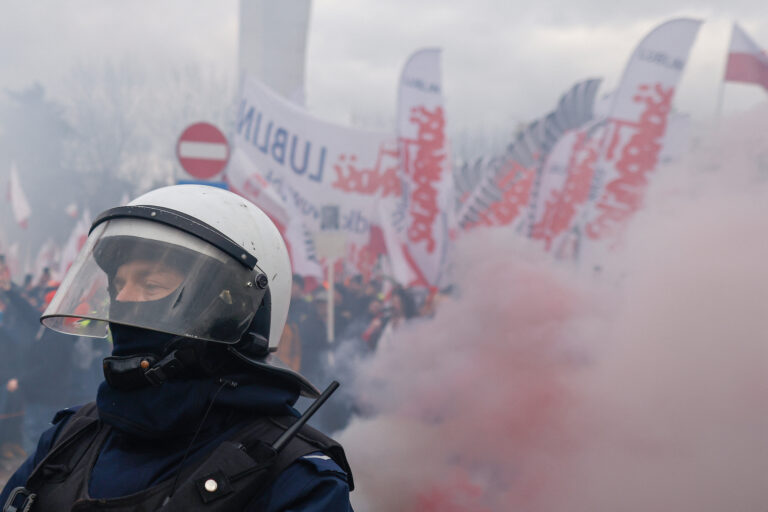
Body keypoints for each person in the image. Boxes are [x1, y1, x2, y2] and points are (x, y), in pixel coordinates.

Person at [0, 185, 354, 511]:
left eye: (150, 285)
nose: (122, 299)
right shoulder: (72, 437)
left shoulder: (294, 477)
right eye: (118, 284)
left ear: (230, 310)